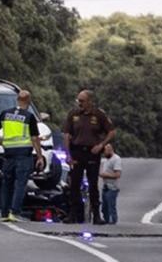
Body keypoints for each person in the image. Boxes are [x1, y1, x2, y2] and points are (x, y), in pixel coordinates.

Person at [62, 89, 116, 224]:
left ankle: (96, 215)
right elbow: (67, 135)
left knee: (93, 185)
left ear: (90, 101)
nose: (79, 103)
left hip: (92, 153)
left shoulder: (98, 115)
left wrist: (101, 145)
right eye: (78, 100)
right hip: (77, 152)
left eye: (82, 101)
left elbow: (111, 131)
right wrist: (67, 154)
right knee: (74, 184)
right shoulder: (73, 114)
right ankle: (73, 214)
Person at [0, 90, 45, 222]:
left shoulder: (5, 113)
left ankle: (3, 213)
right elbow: (34, 138)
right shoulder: (29, 116)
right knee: (20, 183)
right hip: (23, 154)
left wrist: (1, 142)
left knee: (6, 184)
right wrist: (40, 156)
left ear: (17, 99)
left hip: (8, 153)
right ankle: (14, 212)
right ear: (29, 101)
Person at [100, 144, 122, 225]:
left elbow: (117, 175)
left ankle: (113, 221)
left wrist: (105, 175)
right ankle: (106, 220)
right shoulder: (106, 160)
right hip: (105, 186)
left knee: (111, 206)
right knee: (104, 207)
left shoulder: (116, 159)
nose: (104, 154)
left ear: (109, 150)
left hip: (112, 187)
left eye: (105, 151)